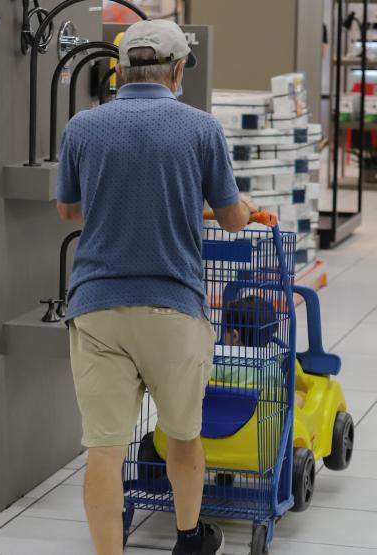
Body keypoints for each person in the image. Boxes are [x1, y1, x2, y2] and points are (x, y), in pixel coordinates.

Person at [56, 19, 257, 555]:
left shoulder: (82, 127)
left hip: (97, 306)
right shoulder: (201, 128)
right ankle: (189, 539)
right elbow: (232, 219)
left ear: (120, 69)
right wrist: (243, 208)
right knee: (184, 435)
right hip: (172, 308)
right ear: (178, 68)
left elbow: (68, 210)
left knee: (104, 450)